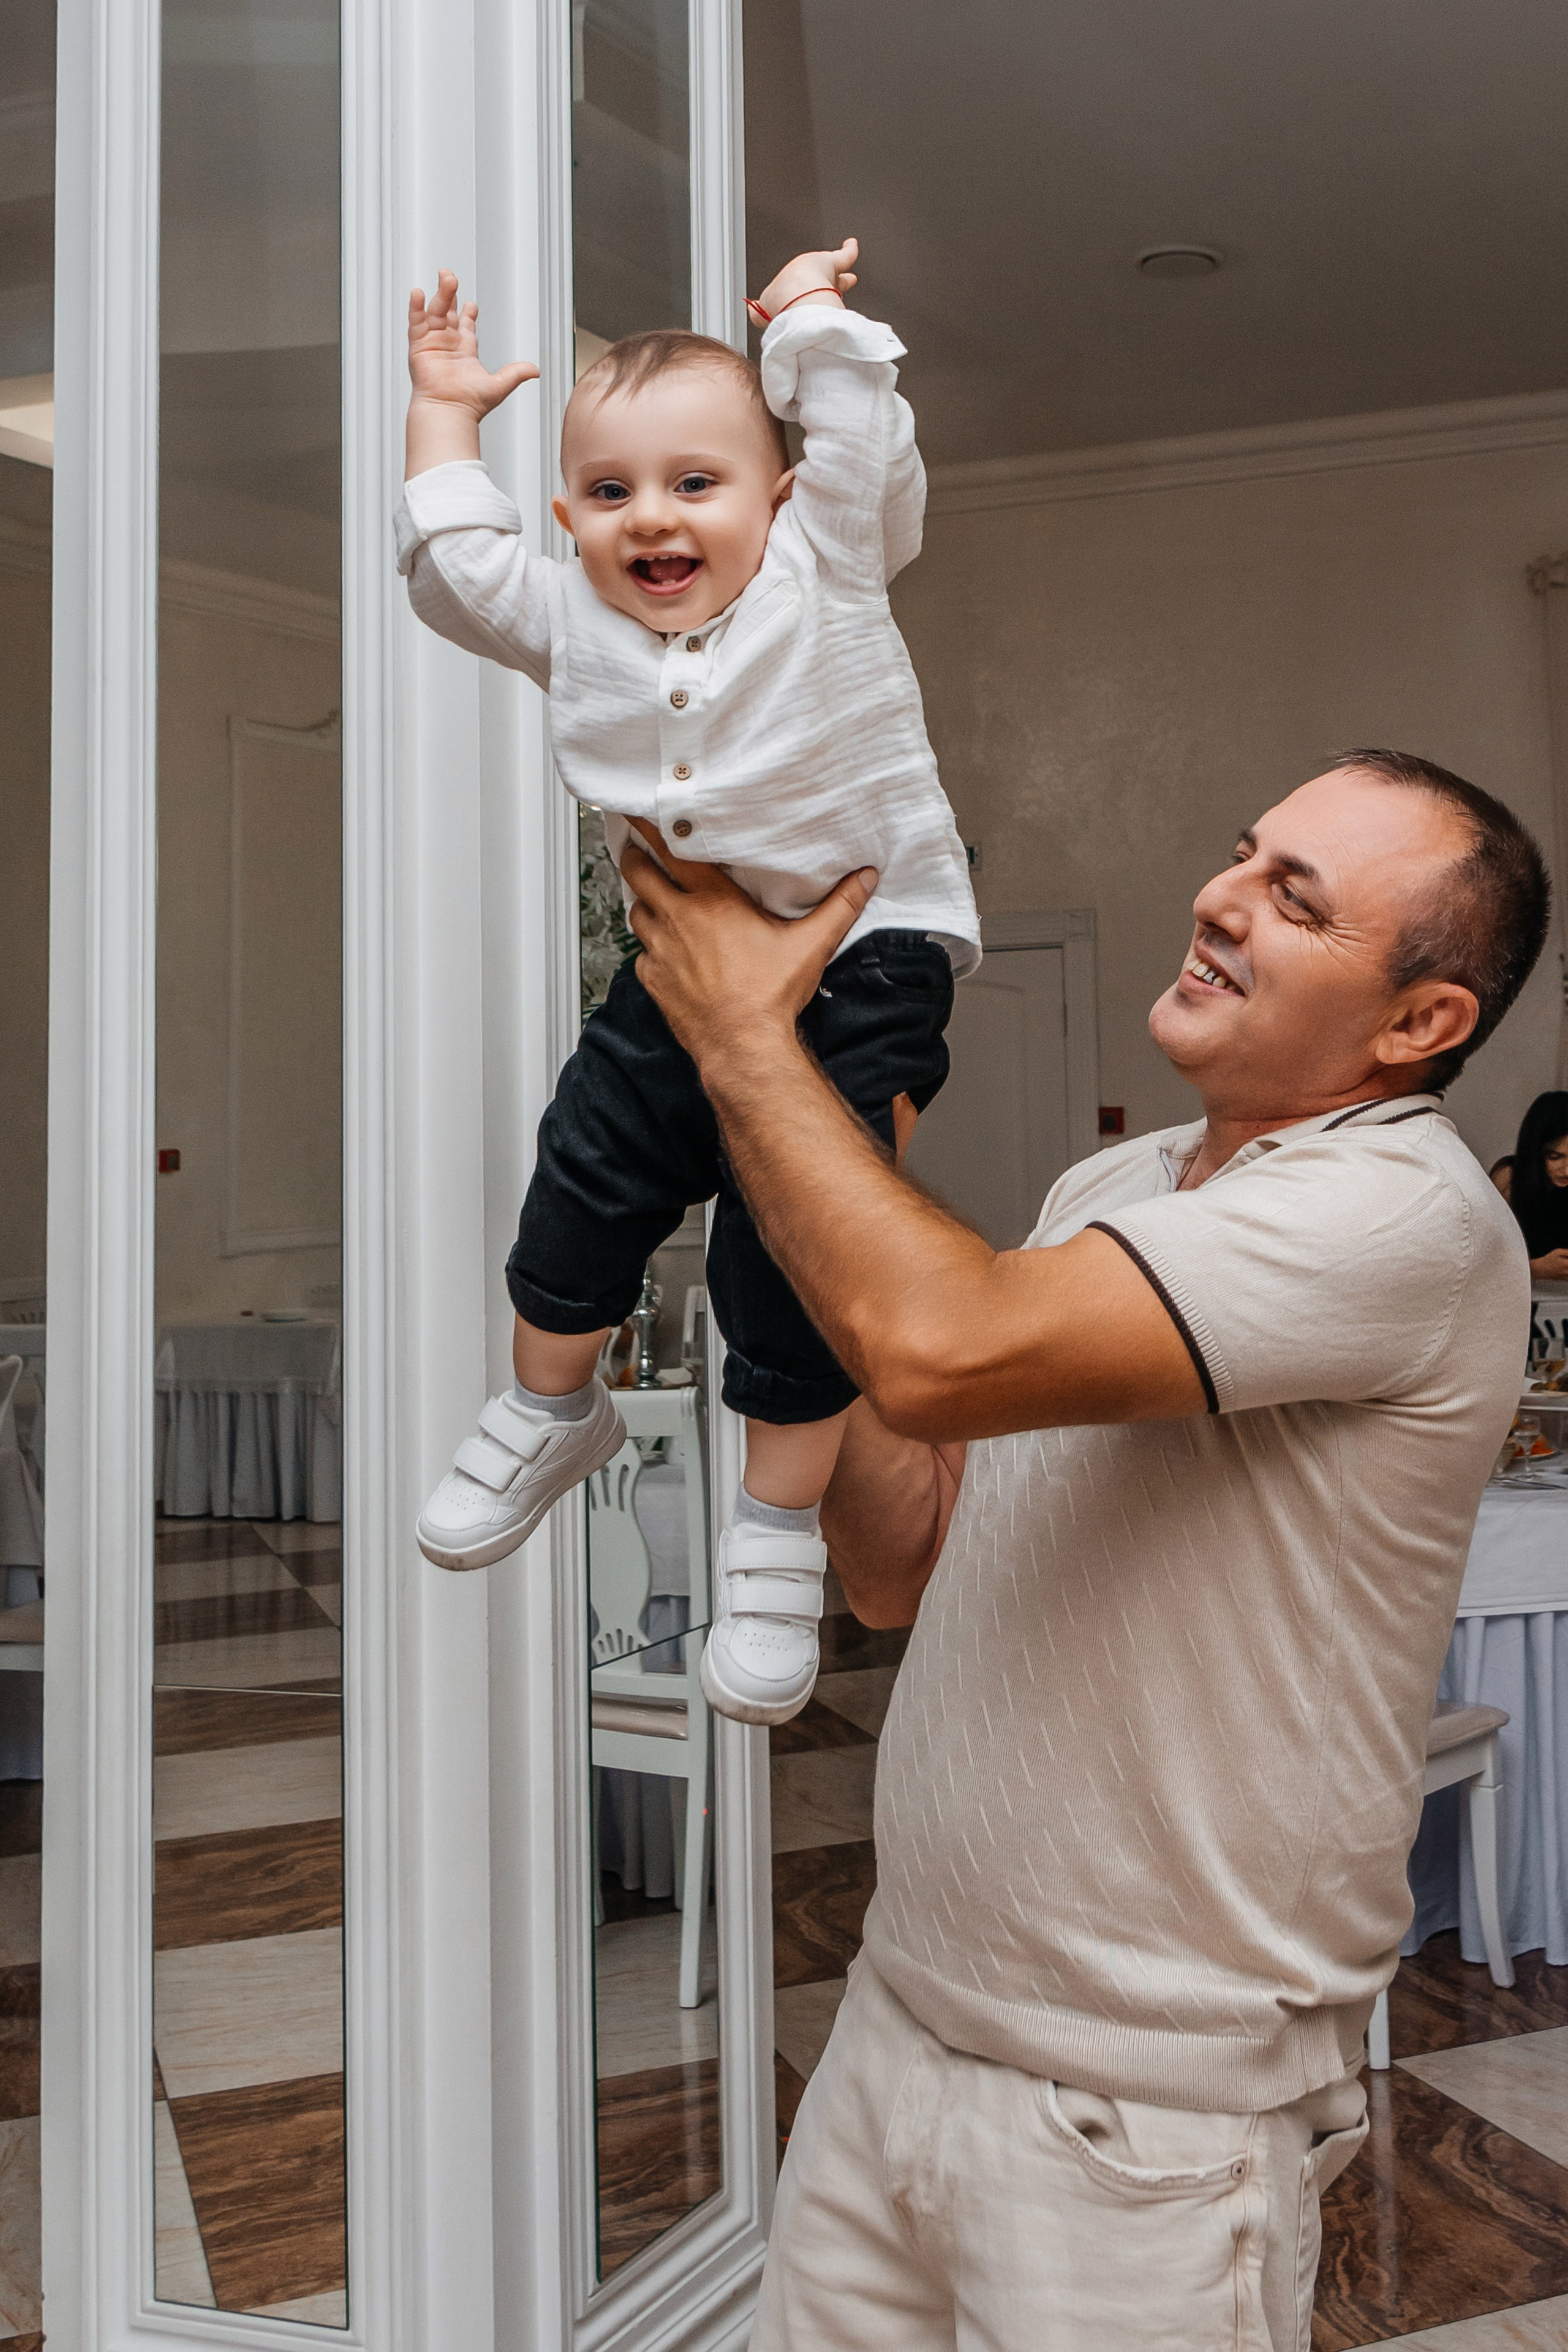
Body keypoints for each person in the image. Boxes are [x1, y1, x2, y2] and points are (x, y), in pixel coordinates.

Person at [616, 747, 1547, 2350]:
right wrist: (804, 1184)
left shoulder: (1408, 1213)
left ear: (1419, 1025)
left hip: (1139, 2121)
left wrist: (743, 1044)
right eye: (1242, 853)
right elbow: (903, 1555)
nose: (1220, 898)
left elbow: (943, 1345)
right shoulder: (1115, 1188)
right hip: (900, 2025)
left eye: (1293, 898)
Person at [393, 241, 978, 1726]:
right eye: (609, 492)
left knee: (782, 1250)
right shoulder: (571, 615)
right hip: (682, 962)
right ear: (570, 516)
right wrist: (444, 414)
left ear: (775, 498)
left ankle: (774, 1532)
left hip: (867, 951)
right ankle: (549, 1403)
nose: (650, 516)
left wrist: (808, 326)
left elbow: (857, 432)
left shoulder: (825, 562)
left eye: (695, 482)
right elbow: (452, 567)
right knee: (582, 1169)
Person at [1507, 1091, 1568, 1277]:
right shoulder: (1510, 1178)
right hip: (1526, 1299)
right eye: (1555, 1157)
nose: (1567, 1171)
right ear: (1535, 1151)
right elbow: (1483, 1262)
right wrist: (1535, 1268)